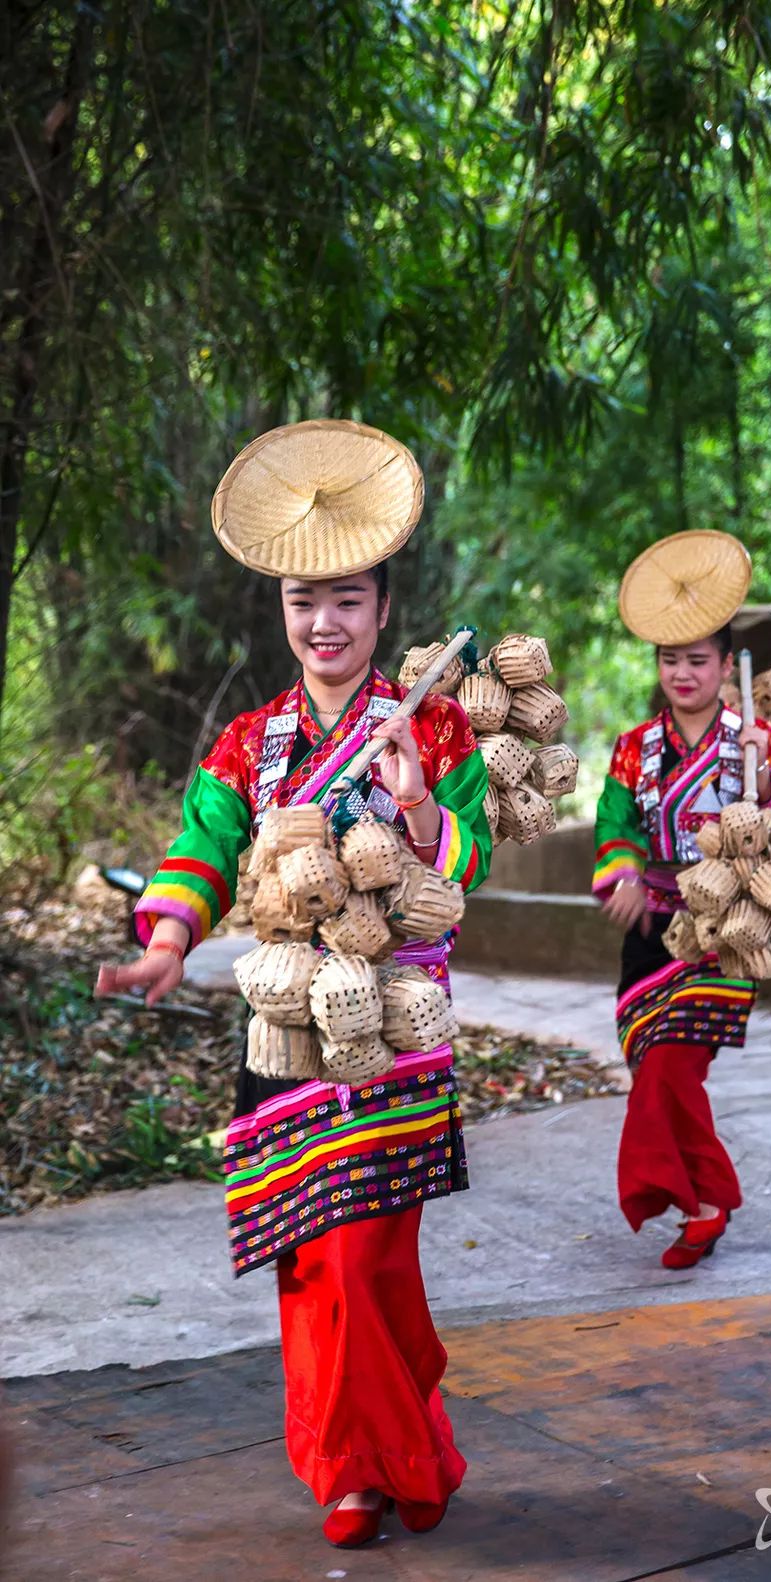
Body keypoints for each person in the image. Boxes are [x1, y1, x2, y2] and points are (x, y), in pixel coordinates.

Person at [95, 421, 490, 1548]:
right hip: (280, 1031)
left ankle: (401, 1446)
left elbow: (469, 867)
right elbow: (203, 850)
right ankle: (352, 1471)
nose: (326, 624)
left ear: (383, 608)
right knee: (311, 1252)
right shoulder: (248, 742)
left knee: (374, 1248)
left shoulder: (434, 722)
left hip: (390, 1024)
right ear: (279, 609)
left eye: (350, 602)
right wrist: (170, 937)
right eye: (304, 603)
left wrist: (418, 805)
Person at [593, 530, 771, 1271]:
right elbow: (615, 822)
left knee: (672, 1071)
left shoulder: (751, 741)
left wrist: (766, 780)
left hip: (723, 929)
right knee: (654, 1066)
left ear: (726, 666)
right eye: (669, 660)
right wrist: (621, 875)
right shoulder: (633, 748)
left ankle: (708, 1201)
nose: (681, 673)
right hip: (650, 927)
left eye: (697, 659)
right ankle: (699, 1199)